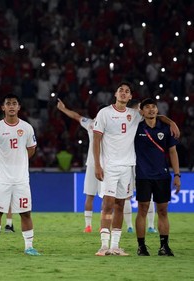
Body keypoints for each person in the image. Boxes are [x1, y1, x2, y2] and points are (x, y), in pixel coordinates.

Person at [93, 82, 179, 256]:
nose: (124, 93)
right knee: (107, 204)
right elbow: (96, 140)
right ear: (115, 94)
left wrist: (171, 122)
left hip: (128, 166)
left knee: (120, 205)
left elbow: (153, 114)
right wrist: (97, 164)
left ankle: (115, 246)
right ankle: (103, 246)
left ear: (131, 97)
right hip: (109, 165)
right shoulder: (105, 113)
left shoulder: (135, 115)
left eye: (127, 92)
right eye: (121, 91)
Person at [0, 94, 40, 256]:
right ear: (3, 107)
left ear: (18, 107)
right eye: (8, 103)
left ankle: (29, 246)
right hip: (2, 179)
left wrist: (19, 161)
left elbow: (31, 149)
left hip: (21, 179)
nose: (11, 106)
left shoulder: (27, 128)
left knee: (25, 212)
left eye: (14, 103)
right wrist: (5, 163)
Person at [134, 98, 181, 256]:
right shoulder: (136, 127)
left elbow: (173, 152)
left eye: (153, 107)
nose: (151, 109)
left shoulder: (166, 128)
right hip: (143, 175)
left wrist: (177, 175)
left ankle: (164, 246)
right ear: (142, 111)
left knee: (163, 211)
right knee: (143, 210)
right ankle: (141, 246)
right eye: (147, 107)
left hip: (162, 175)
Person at [57, 99, 101, 233]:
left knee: (90, 196)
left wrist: (63, 109)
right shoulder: (110, 126)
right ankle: (103, 226)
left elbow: (76, 116)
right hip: (106, 165)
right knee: (107, 198)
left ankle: (88, 226)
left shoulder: (91, 124)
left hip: (92, 164)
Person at [123, 99, 157, 234]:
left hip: (143, 164)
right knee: (126, 196)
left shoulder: (146, 124)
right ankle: (130, 226)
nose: (141, 110)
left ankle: (150, 226)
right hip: (130, 163)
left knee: (149, 196)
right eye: (138, 108)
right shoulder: (128, 123)